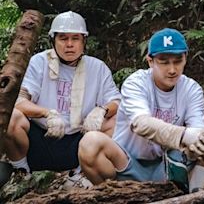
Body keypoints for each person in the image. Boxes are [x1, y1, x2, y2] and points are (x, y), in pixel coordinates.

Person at [78, 28, 204, 193]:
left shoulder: (191, 88)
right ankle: (114, 195)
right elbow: (141, 123)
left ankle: (194, 192)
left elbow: (197, 127)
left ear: (185, 58)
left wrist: (201, 142)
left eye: (178, 61)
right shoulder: (136, 83)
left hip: (168, 163)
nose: (172, 69)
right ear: (150, 61)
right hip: (128, 164)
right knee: (90, 143)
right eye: (164, 62)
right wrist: (186, 135)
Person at [3, 11, 121, 188]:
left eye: (76, 38)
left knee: (116, 120)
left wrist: (102, 111)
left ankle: (81, 174)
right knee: (12, 116)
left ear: (84, 41)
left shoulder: (97, 68)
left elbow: (116, 101)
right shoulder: (39, 62)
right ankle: (22, 172)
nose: (70, 45)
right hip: (41, 139)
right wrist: (46, 113)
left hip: (78, 141)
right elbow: (19, 100)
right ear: (53, 40)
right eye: (63, 38)